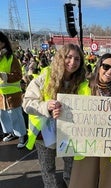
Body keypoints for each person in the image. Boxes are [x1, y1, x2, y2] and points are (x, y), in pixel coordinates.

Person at [22, 43, 89, 188]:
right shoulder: (45, 76)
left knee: (71, 167)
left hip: (70, 133)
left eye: (77, 59)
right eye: (69, 57)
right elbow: (27, 103)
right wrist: (46, 106)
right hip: (44, 134)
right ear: (60, 58)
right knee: (48, 169)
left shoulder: (83, 82)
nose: (72, 62)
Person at [69, 53, 111, 188]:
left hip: (110, 146)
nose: (109, 71)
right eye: (106, 66)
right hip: (86, 145)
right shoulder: (83, 87)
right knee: (82, 182)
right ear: (99, 66)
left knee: (107, 182)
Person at [0, 31, 28, 149]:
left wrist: (4, 76)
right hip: (1, 94)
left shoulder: (11, 57)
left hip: (12, 93)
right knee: (4, 116)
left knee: (15, 115)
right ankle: (12, 133)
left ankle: (22, 135)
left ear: (2, 43)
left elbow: (18, 75)